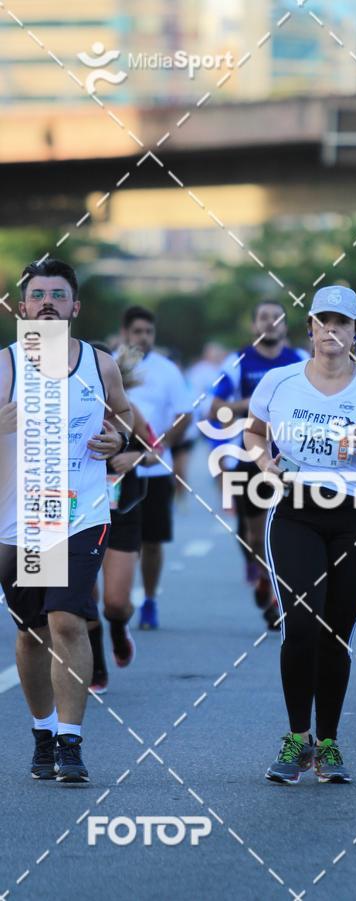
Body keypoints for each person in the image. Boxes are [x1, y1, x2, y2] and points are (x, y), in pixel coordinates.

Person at [244, 285, 356, 784]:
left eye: (342, 323)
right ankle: (297, 738)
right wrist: (266, 465)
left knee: (335, 633)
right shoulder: (279, 381)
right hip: (296, 511)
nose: (331, 331)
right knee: (300, 624)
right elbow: (253, 433)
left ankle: (330, 744)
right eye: (323, 321)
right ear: (310, 329)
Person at [0, 258, 132, 782]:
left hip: (82, 513)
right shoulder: (5, 366)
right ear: (23, 308)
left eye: (58, 295)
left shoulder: (100, 365)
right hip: (24, 519)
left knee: (67, 620)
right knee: (33, 633)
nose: (48, 304)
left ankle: (70, 743)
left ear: (75, 307)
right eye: (38, 295)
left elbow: (124, 415)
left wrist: (119, 439)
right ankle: (43, 730)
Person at [209, 300, 308, 630]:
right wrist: (256, 404)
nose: (270, 322)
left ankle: (281, 597)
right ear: (254, 325)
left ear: (285, 325)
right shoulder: (238, 361)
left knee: (290, 531)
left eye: (276, 317)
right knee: (254, 537)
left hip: (294, 459)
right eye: (263, 317)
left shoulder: (300, 360)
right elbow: (216, 410)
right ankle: (265, 578)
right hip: (253, 456)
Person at [121, 306, 193, 630]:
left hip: (156, 467)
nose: (143, 337)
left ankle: (149, 600)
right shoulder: (111, 364)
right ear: (125, 333)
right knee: (117, 543)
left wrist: (159, 445)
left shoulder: (168, 370)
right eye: (137, 331)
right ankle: (117, 603)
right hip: (118, 469)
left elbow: (184, 414)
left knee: (152, 542)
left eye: (149, 332)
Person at [88, 343, 152, 693]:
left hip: (122, 513)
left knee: (114, 602)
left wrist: (135, 457)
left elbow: (157, 451)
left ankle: (117, 627)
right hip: (76, 513)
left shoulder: (129, 411)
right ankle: (96, 665)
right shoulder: (59, 410)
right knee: (82, 598)